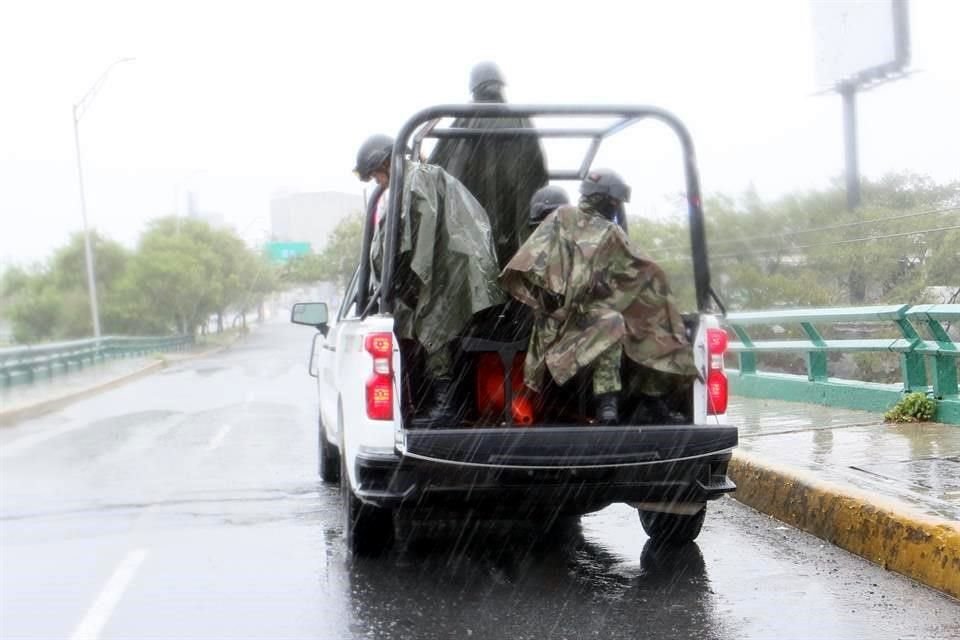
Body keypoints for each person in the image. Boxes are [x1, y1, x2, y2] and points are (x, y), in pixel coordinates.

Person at [499, 170, 697, 425]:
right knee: (611, 321)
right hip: (560, 323)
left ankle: (650, 398)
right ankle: (607, 402)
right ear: (603, 199)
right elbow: (530, 270)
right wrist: (563, 296)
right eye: (612, 202)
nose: (614, 207)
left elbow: (639, 272)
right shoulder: (562, 219)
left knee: (650, 325)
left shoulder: (610, 233)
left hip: (588, 318)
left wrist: (643, 303)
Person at [354, 134, 506, 425]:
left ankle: (445, 405)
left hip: (443, 273)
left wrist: (399, 280)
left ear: (386, 162)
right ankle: (437, 400)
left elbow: (411, 243)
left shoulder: (417, 183)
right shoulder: (413, 181)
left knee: (432, 325)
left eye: (376, 175)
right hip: (443, 271)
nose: (378, 183)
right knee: (426, 322)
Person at [428, 62, 548, 270]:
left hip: (471, 241)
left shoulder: (462, 123)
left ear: (474, 88)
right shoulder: (522, 121)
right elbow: (538, 175)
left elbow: (438, 171)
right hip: (516, 241)